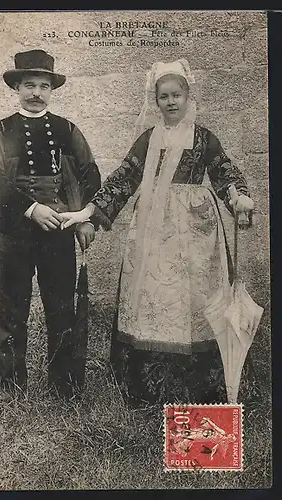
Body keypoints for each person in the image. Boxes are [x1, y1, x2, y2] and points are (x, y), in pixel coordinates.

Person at [59, 59, 254, 406]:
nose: (171, 102)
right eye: (163, 96)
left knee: (195, 296)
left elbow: (225, 173)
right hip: (153, 230)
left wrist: (238, 196)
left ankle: (201, 382)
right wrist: (90, 210)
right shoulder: (148, 140)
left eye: (177, 94)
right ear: (156, 101)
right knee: (154, 295)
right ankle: (148, 384)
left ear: (188, 96)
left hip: (197, 232)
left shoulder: (204, 138)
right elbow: (124, 178)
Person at [0, 49, 101, 398]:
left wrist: (84, 220)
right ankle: (9, 387)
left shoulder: (67, 129)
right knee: (12, 308)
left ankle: (64, 387)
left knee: (61, 309)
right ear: (16, 87)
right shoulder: (0, 130)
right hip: (13, 232)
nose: (36, 93)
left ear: (52, 90)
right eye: (29, 85)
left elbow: (89, 174)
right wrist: (31, 208)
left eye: (43, 86)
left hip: (58, 233)